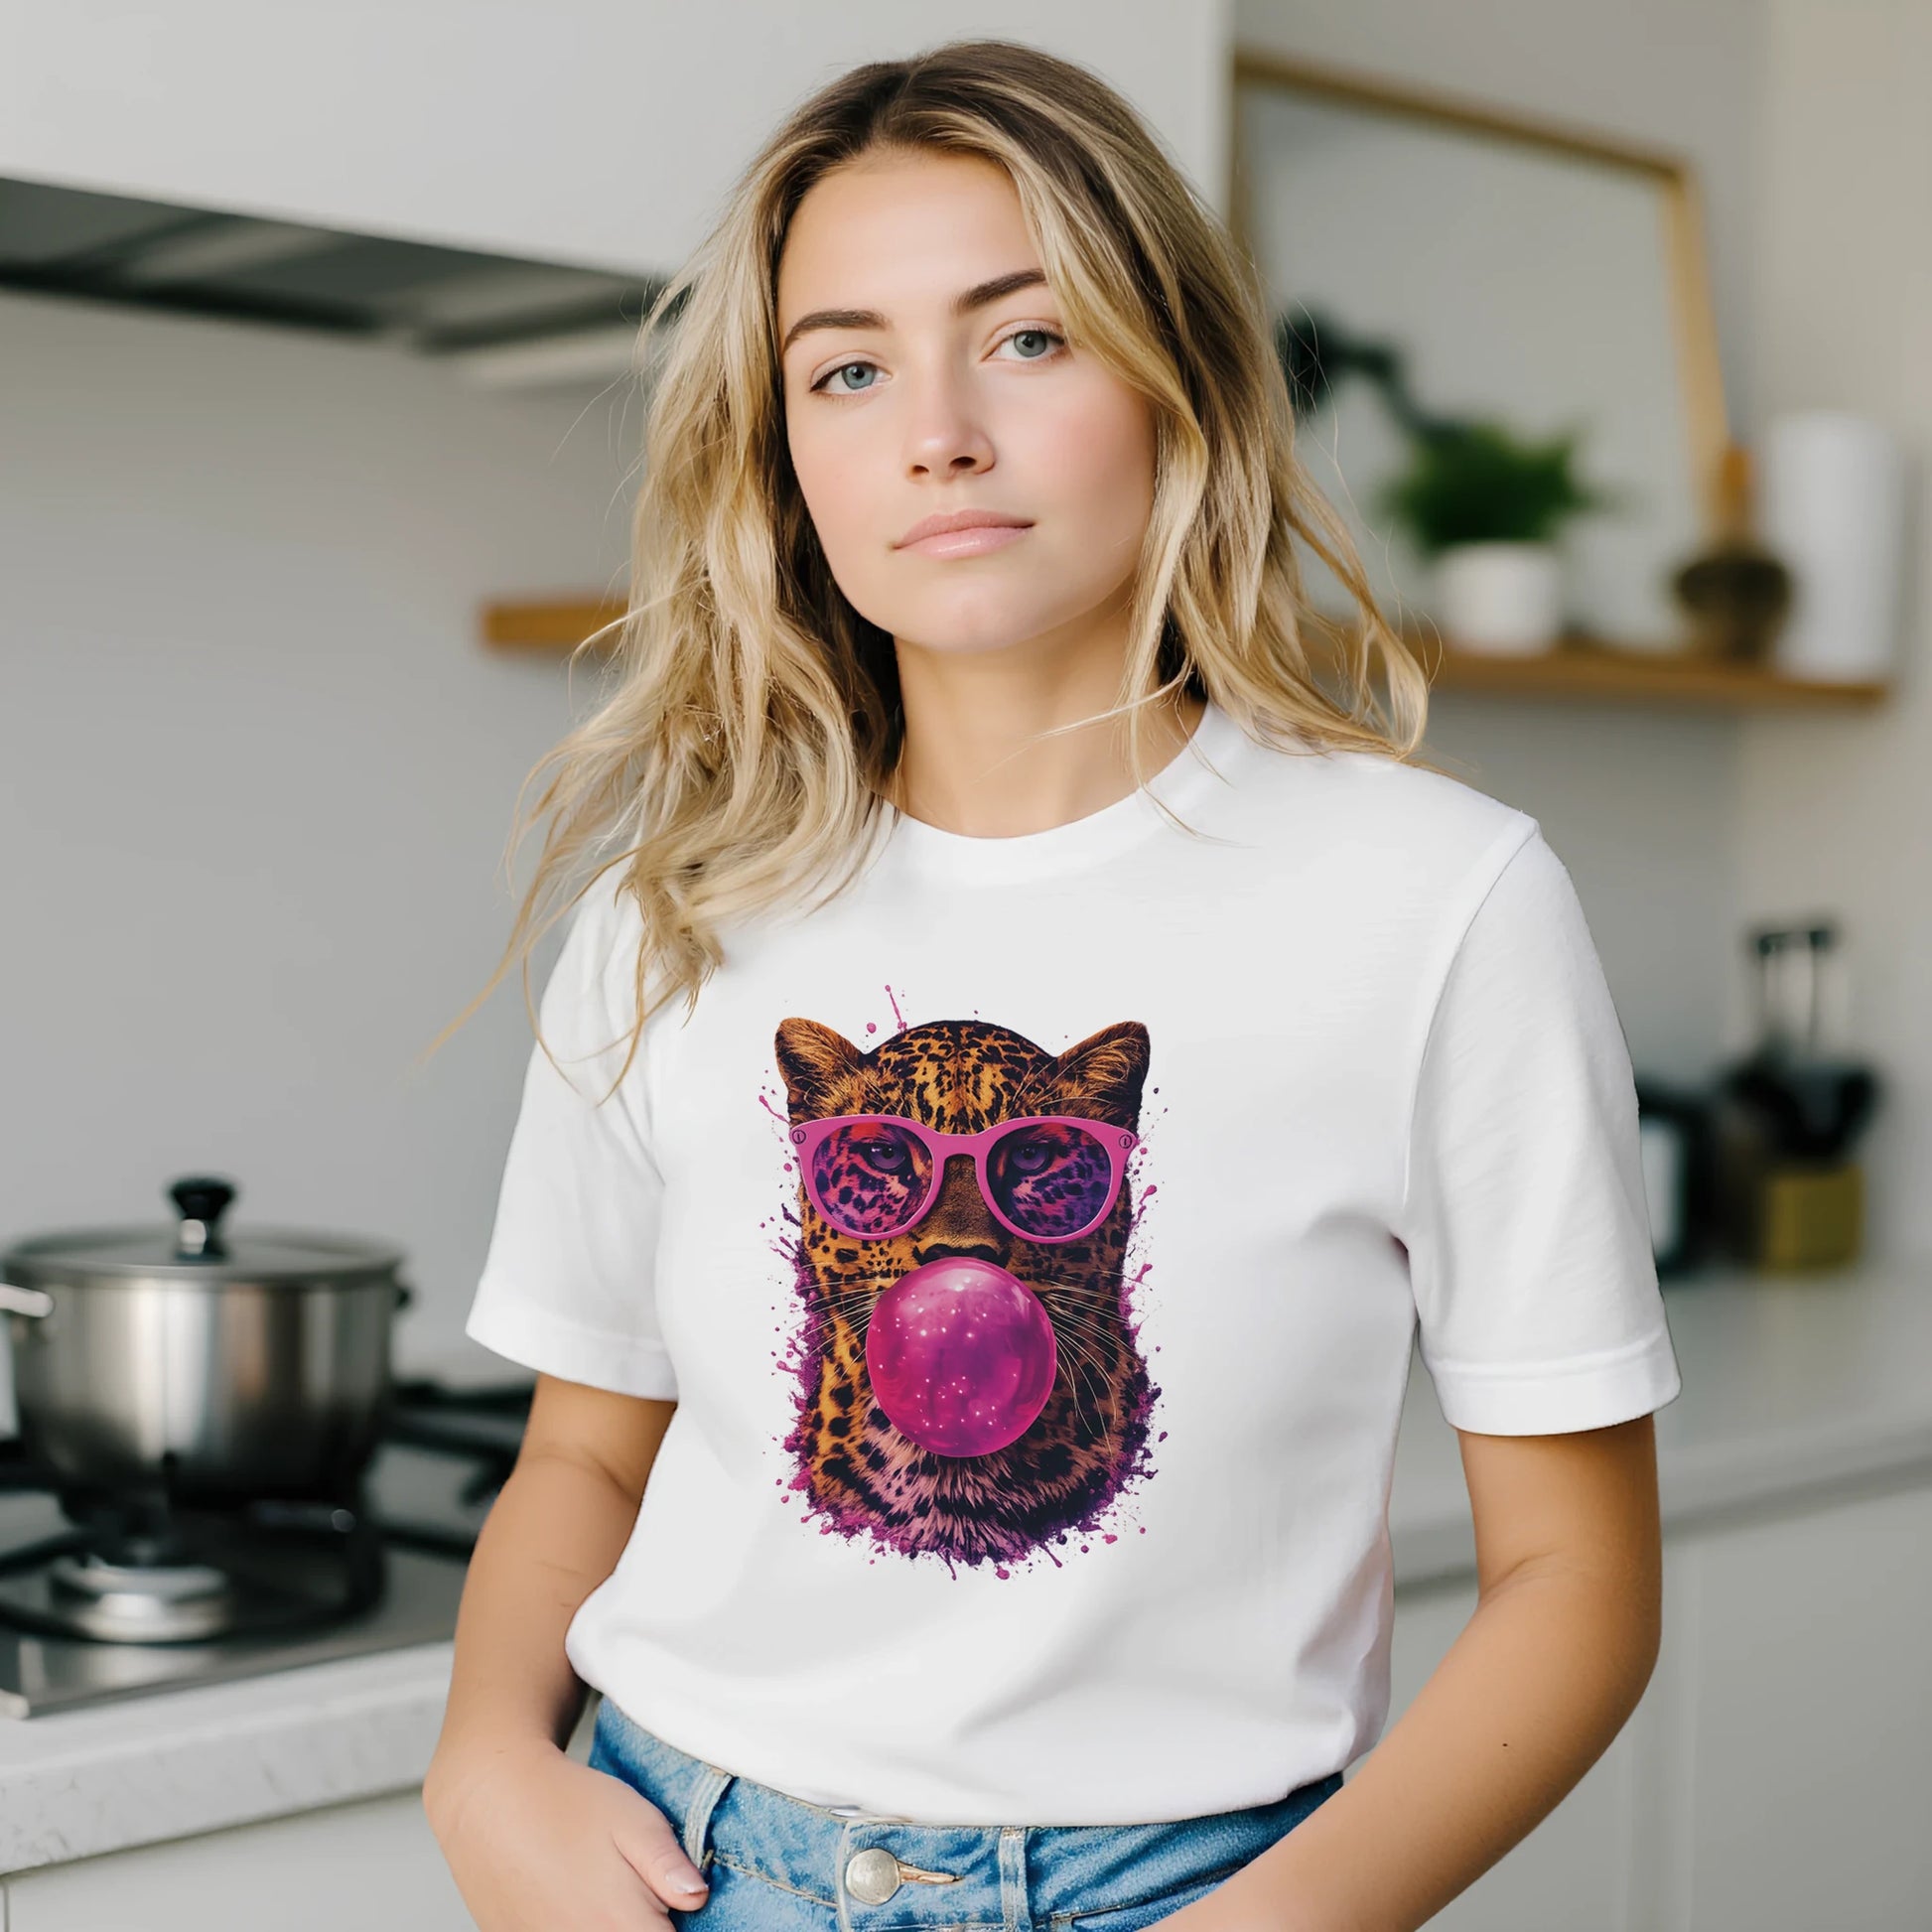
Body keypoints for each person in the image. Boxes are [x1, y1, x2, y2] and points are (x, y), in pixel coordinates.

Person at [422, 39, 1682, 1932]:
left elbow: (1578, 1579)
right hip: (672, 1865)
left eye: (1024, 338)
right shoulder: (675, 910)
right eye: (848, 368)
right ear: (788, 465)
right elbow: (587, 1449)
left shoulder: (1436, 902)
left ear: (1175, 384)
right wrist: (480, 1767)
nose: (936, 429)